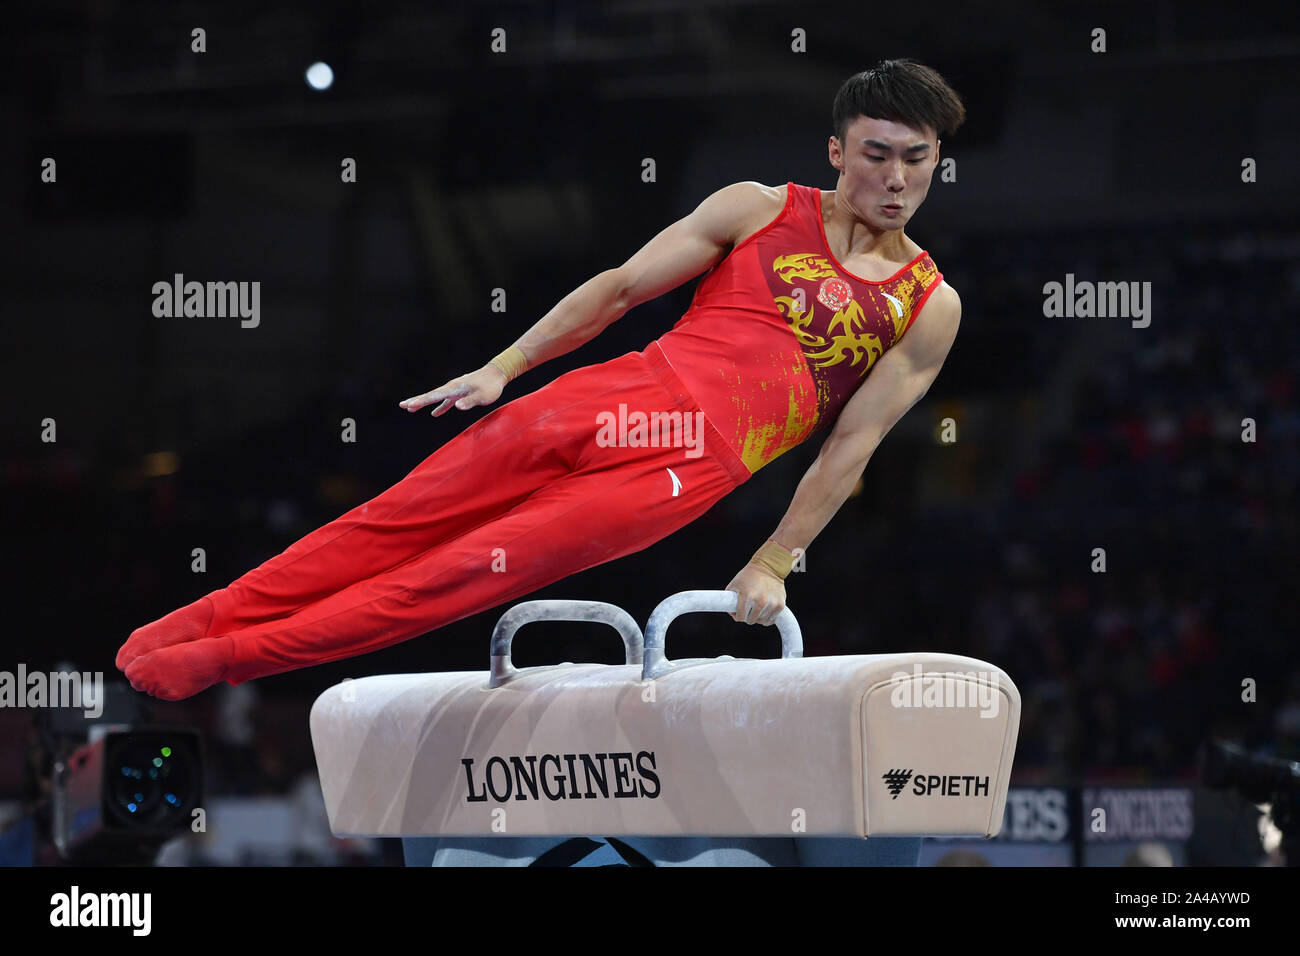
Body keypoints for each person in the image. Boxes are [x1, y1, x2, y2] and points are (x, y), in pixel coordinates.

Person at [118, 59, 965, 709]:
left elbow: (853, 444)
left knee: (448, 579)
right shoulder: (758, 206)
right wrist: (504, 366)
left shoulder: (926, 305)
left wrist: (774, 562)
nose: (894, 179)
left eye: (914, 160)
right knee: (394, 520)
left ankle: (226, 659)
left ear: (936, 161)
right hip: (620, 390)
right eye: (874, 155)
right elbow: (622, 286)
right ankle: (205, 616)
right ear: (836, 150)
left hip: (684, 470)